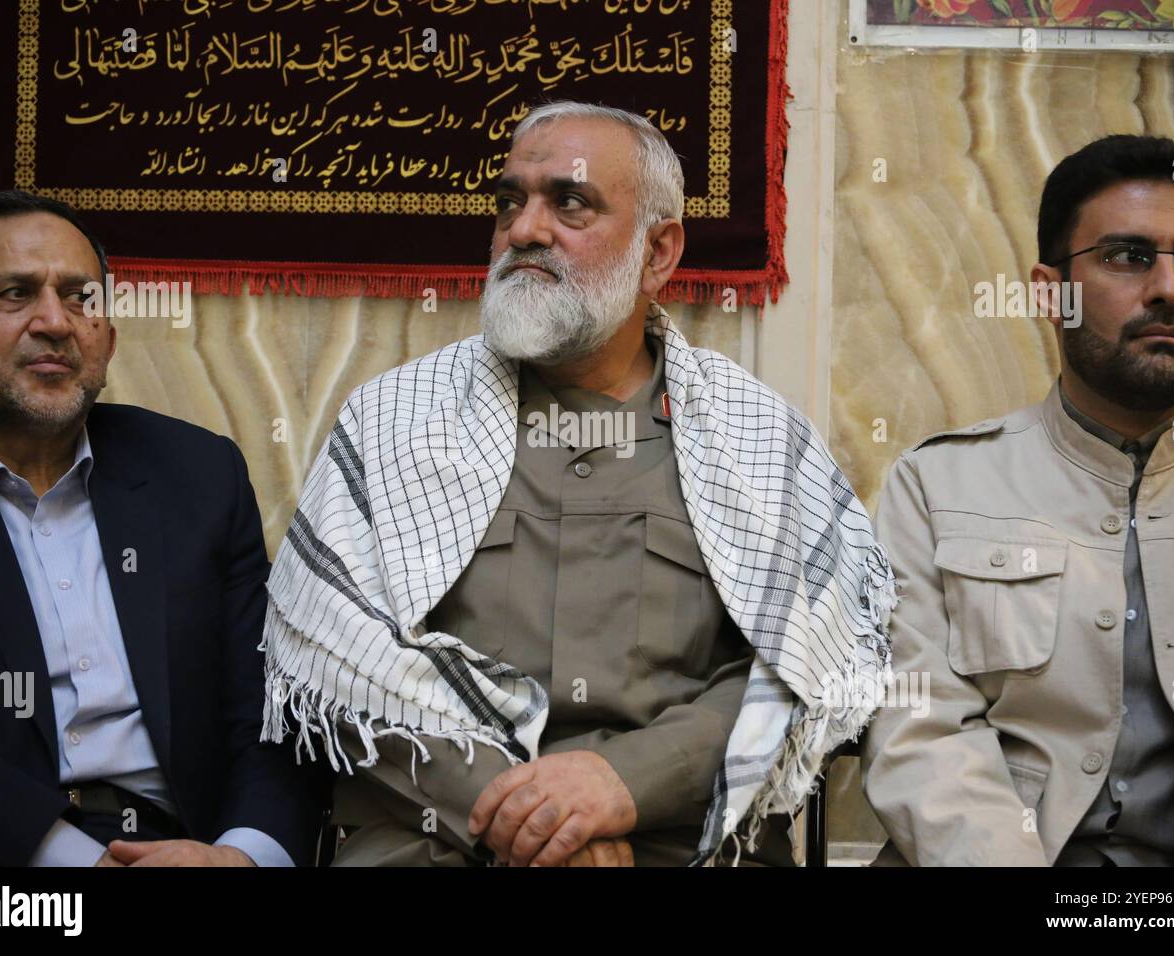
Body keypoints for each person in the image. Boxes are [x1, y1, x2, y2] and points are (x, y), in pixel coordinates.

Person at [261, 101, 895, 867]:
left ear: (658, 253)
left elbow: (801, 671)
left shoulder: (756, 436)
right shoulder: (394, 420)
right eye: (509, 203)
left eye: (569, 202)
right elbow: (342, 653)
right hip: (444, 845)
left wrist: (623, 784)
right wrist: (538, 824)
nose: (524, 230)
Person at [863, 135, 1174, 866]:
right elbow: (920, 735)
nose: (1170, 287)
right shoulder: (937, 488)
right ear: (1048, 289)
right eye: (1129, 256)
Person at [0, 190, 326, 866]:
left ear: (107, 341)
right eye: (15, 294)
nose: (55, 321)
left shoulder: (200, 477)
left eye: (80, 297)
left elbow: (274, 709)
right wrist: (69, 861)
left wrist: (241, 856)